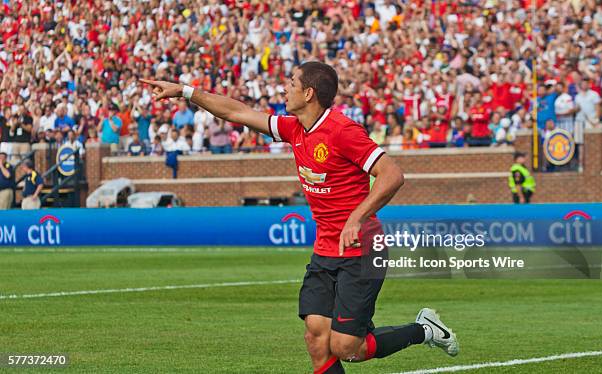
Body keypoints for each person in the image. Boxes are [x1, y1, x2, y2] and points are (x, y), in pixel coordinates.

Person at [142, 61, 459, 374]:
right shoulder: (295, 129)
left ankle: (425, 329)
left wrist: (356, 218)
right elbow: (235, 112)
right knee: (316, 340)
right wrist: (184, 91)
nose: (284, 87)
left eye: (291, 82)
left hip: (361, 250)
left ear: (308, 93)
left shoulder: (343, 131)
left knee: (347, 348)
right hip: (325, 252)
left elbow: (392, 174)